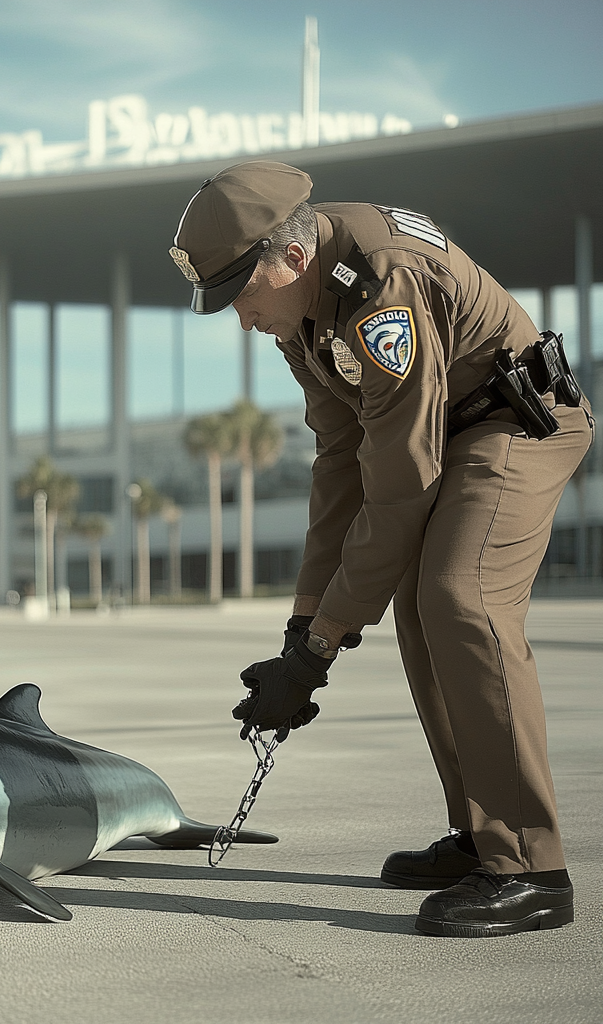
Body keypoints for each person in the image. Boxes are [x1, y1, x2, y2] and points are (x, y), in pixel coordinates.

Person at [170, 160, 593, 937]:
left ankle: (531, 866)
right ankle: (481, 838)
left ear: (290, 257)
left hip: (516, 420)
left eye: (240, 295)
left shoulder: (378, 289)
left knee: (461, 597)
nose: (239, 319)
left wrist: (319, 654)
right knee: (417, 609)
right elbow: (340, 462)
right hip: (450, 431)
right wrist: (301, 632)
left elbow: (399, 484)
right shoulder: (297, 311)